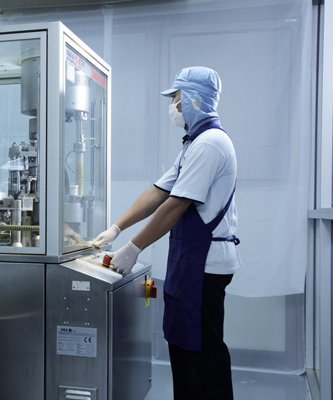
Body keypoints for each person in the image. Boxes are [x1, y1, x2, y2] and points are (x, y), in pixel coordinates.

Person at [92, 66, 241, 400]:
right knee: (184, 350)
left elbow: (177, 204)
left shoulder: (211, 144)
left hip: (204, 266)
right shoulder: (194, 144)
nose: (173, 105)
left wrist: (132, 248)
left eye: (175, 97)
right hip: (190, 264)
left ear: (193, 99)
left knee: (202, 355)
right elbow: (158, 192)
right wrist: (116, 228)